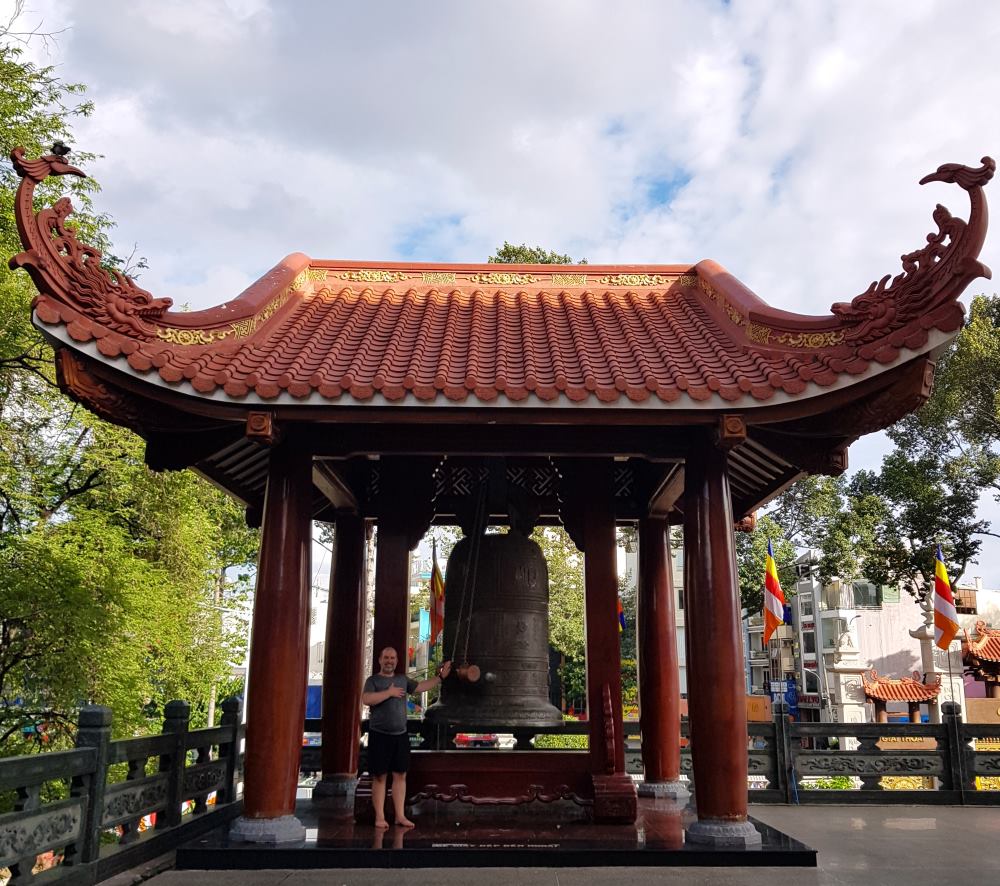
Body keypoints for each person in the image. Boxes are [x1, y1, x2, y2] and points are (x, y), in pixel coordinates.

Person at [361, 647, 451, 829]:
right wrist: (389, 693)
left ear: (396, 660)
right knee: (379, 777)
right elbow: (366, 699)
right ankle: (380, 817)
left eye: (392, 658)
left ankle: (399, 816)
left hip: (400, 735)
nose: (389, 661)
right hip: (380, 735)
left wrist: (441, 677)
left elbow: (420, 687)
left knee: (400, 775)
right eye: (386, 657)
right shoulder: (373, 680)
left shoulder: (402, 679)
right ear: (380, 660)